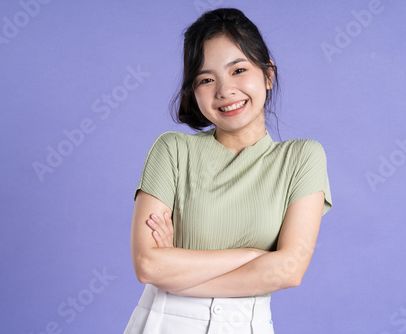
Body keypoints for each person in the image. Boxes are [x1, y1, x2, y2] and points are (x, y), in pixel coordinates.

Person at [123, 7, 332, 334]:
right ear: (194, 90)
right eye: (206, 79)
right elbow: (149, 265)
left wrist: (177, 274)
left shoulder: (301, 158)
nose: (224, 91)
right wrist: (253, 255)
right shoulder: (174, 150)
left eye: (238, 70)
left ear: (268, 75)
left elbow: (289, 269)